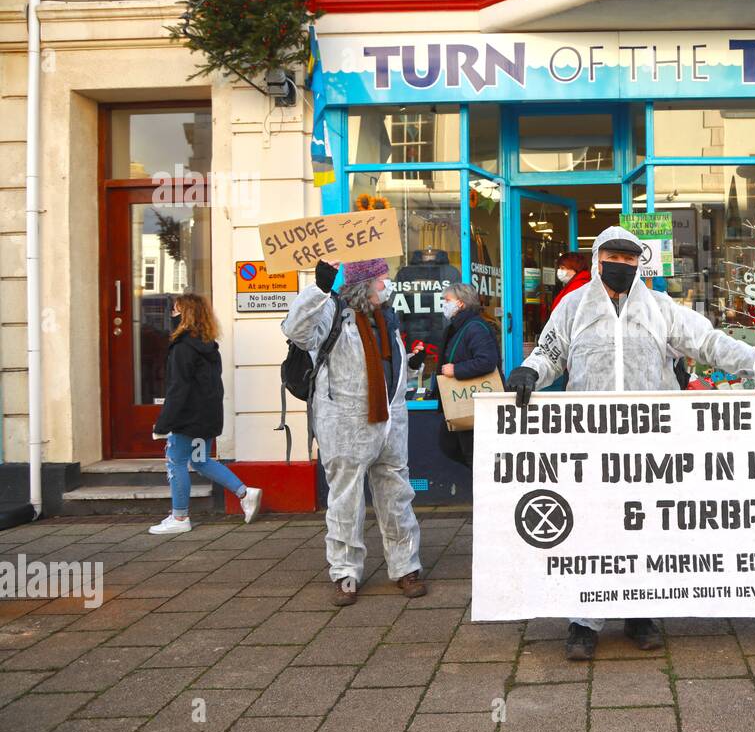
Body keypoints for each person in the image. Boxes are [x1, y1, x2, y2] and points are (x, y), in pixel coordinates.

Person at [505, 225, 755, 661]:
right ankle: (583, 621)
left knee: (643, 528)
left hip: (651, 445)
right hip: (590, 442)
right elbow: (551, 354)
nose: (622, 266)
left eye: (630, 260)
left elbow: (708, 342)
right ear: (597, 258)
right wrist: (529, 371)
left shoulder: (660, 309)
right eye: (614, 257)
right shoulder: (573, 307)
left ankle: (640, 614)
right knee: (591, 530)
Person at [282, 257, 428, 606]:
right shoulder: (333, 314)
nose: (387, 286)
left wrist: (410, 369)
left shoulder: (387, 319)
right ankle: (345, 572)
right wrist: (319, 287)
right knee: (346, 500)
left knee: (397, 496)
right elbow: (295, 330)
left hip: (389, 423)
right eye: (382, 280)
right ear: (365, 285)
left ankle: (406, 566)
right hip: (345, 424)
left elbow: (384, 367)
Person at [149, 294, 262, 535]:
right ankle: (245, 492)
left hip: (187, 419)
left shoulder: (181, 348)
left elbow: (178, 390)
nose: (172, 315)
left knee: (176, 461)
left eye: (175, 310)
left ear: (185, 315)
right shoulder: (209, 346)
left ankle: (180, 517)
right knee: (200, 461)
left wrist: (162, 424)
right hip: (207, 416)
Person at [436, 283, 500, 469]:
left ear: (461, 303)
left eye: (447, 300)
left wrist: (456, 370)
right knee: (450, 445)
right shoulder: (459, 326)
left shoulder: (475, 327)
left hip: (473, 402)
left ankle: (485, 490)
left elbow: (488, 361)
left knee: (473, 453)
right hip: (462, 401)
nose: (443, 304)